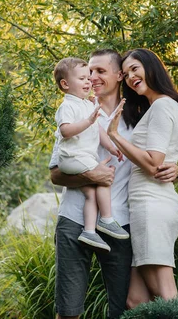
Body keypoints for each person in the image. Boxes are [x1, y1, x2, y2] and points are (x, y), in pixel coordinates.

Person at [50, 49, 178, 319]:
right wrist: (91, 176)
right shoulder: (76, 112)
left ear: (119, 75)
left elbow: (154, 158)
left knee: (124, 309)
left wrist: (175, 167)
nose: (92, 78)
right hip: (74, 219)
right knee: (69, 310)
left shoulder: (139, 119)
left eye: (100, 71)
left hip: (121, 223)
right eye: (88, 72)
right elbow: (55, 174)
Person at [106, 48, 178, 307]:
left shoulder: (162, 105)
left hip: (153, 205)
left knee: (165, 294)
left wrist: (115, 135)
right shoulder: (154, 108)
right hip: (143, 206)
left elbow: (154, 163)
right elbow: (164, 159)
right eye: (126, 73)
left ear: (151, 67)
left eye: (135, 69)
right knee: (136, 300)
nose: (130, 77)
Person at [53, 57, 129, 253]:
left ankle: (89, 230)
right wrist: (88, 120)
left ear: (119, 76)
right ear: (65, 84)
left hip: (83, 159)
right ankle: (106, 219)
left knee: (91, 192)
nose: (90, 81)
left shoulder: (88, 105)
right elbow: (66, 131)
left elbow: (98, 131)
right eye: (84, 77)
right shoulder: (68, 106)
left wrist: (112, 147)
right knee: (102, 179)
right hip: (72, 159)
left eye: (94, 75)